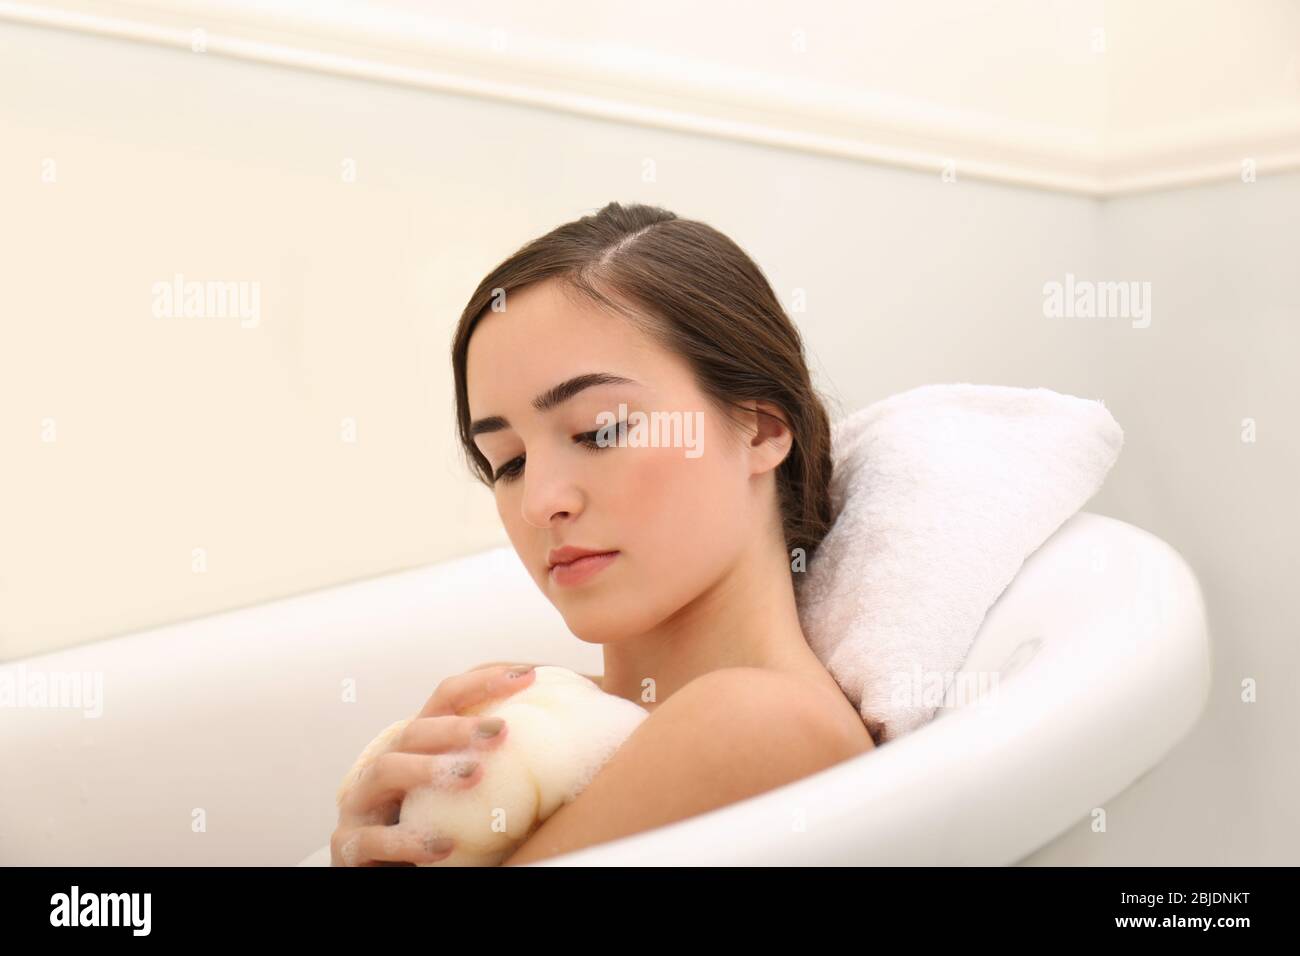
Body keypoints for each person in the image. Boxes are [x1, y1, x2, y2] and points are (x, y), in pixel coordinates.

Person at [332, 202, 874, 867]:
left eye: (600, 431)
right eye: (508, 462)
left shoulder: (761, 722)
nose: (540, 503)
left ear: (760, 430)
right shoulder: (552, 719)